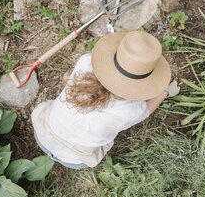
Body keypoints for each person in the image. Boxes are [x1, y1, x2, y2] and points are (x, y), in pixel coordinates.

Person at [31, 31, 180, 169]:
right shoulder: (131, 109)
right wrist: (165, 92)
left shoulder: (86, 62)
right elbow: (147, 110)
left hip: (43, 132)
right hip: (75, 159)